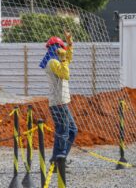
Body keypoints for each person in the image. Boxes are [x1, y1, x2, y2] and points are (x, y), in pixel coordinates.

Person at [39, 30, 78, 169]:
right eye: (61, 47)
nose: (63, 50)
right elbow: (65, 74)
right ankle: (58, 161)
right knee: (63, 131)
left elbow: (68, 58)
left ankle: (59, 159)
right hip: (58, 102)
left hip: (61, 102)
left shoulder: (57, 60)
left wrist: (70, 42)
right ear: (56, 47)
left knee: (72, 130)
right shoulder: (53, 62)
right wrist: (63, 59)